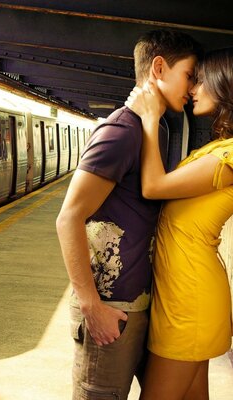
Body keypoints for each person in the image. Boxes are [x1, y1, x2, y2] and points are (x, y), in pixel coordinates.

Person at [55, 30, 202, 399]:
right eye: (190, 74)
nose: (194, 86)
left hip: (142, 304)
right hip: (111, 307)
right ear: (158, 68)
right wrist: (92, 306)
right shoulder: (121, 130)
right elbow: (69, 216)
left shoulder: (154, 129)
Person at [125, 48, 233, 400]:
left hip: (191, 301)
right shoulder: (219, 148)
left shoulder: (229, 155)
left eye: (201, 80)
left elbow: (153, 186)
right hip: (181, 294)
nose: (193, 90)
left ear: (225, 84)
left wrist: (150, 119)